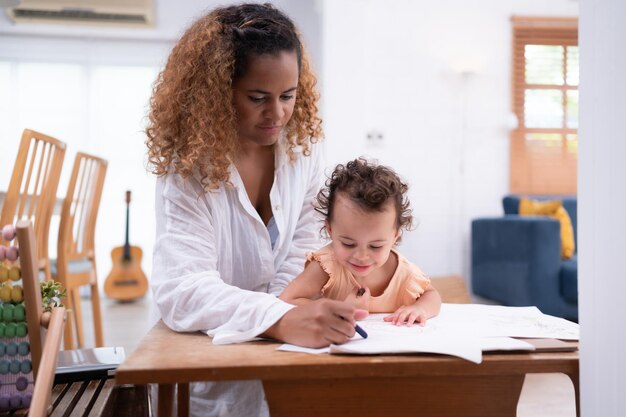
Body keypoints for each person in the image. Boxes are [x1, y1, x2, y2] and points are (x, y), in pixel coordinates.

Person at [145, 3, 366, 416]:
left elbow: (307, 247)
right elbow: (182, 290)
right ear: (215, 94)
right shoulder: (189, 167)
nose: (278, 113)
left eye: (288, 95)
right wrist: (279, 318)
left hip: (290, 363)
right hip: (208, 379)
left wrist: (287, 308)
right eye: (257, 97)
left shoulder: (303, 150)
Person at [280, 158, 442, 326]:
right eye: (348, 244)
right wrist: (336, 308)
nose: (361, 256)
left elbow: (432, 296)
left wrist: (420, 309)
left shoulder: (403, 273)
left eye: (375, 246)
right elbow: (285, 300)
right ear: (330, 230)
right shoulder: (327, 267)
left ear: (395, 236)